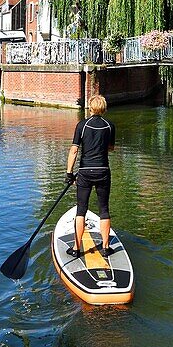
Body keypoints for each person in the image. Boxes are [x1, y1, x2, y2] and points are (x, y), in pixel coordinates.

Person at [65, 95, 117, 258]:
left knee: (81, 209)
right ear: (104, 108)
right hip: (103, 171)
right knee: (104, 209)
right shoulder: (110, 126)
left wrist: (69, 174)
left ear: (90, 107)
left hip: (85, 172)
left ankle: (76, 248)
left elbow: (74, 150)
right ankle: (106, 247)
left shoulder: (82, 125)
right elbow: (110, 148)